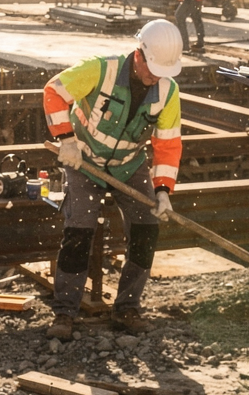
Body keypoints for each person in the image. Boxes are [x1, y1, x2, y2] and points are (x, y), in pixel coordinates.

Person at [41, 19, 184, 339]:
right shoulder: (100, 70)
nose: (155, 77)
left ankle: (127, 307)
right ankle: (65, 312)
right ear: (139, 54)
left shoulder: (168, 91)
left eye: (162, 71)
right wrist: (66, 140)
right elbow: (54, 92)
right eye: (153, 69)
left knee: (147, 228)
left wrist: (163, 190)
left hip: (128, 165)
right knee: (79, 230)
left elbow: (168, 143)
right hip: (83, 161)